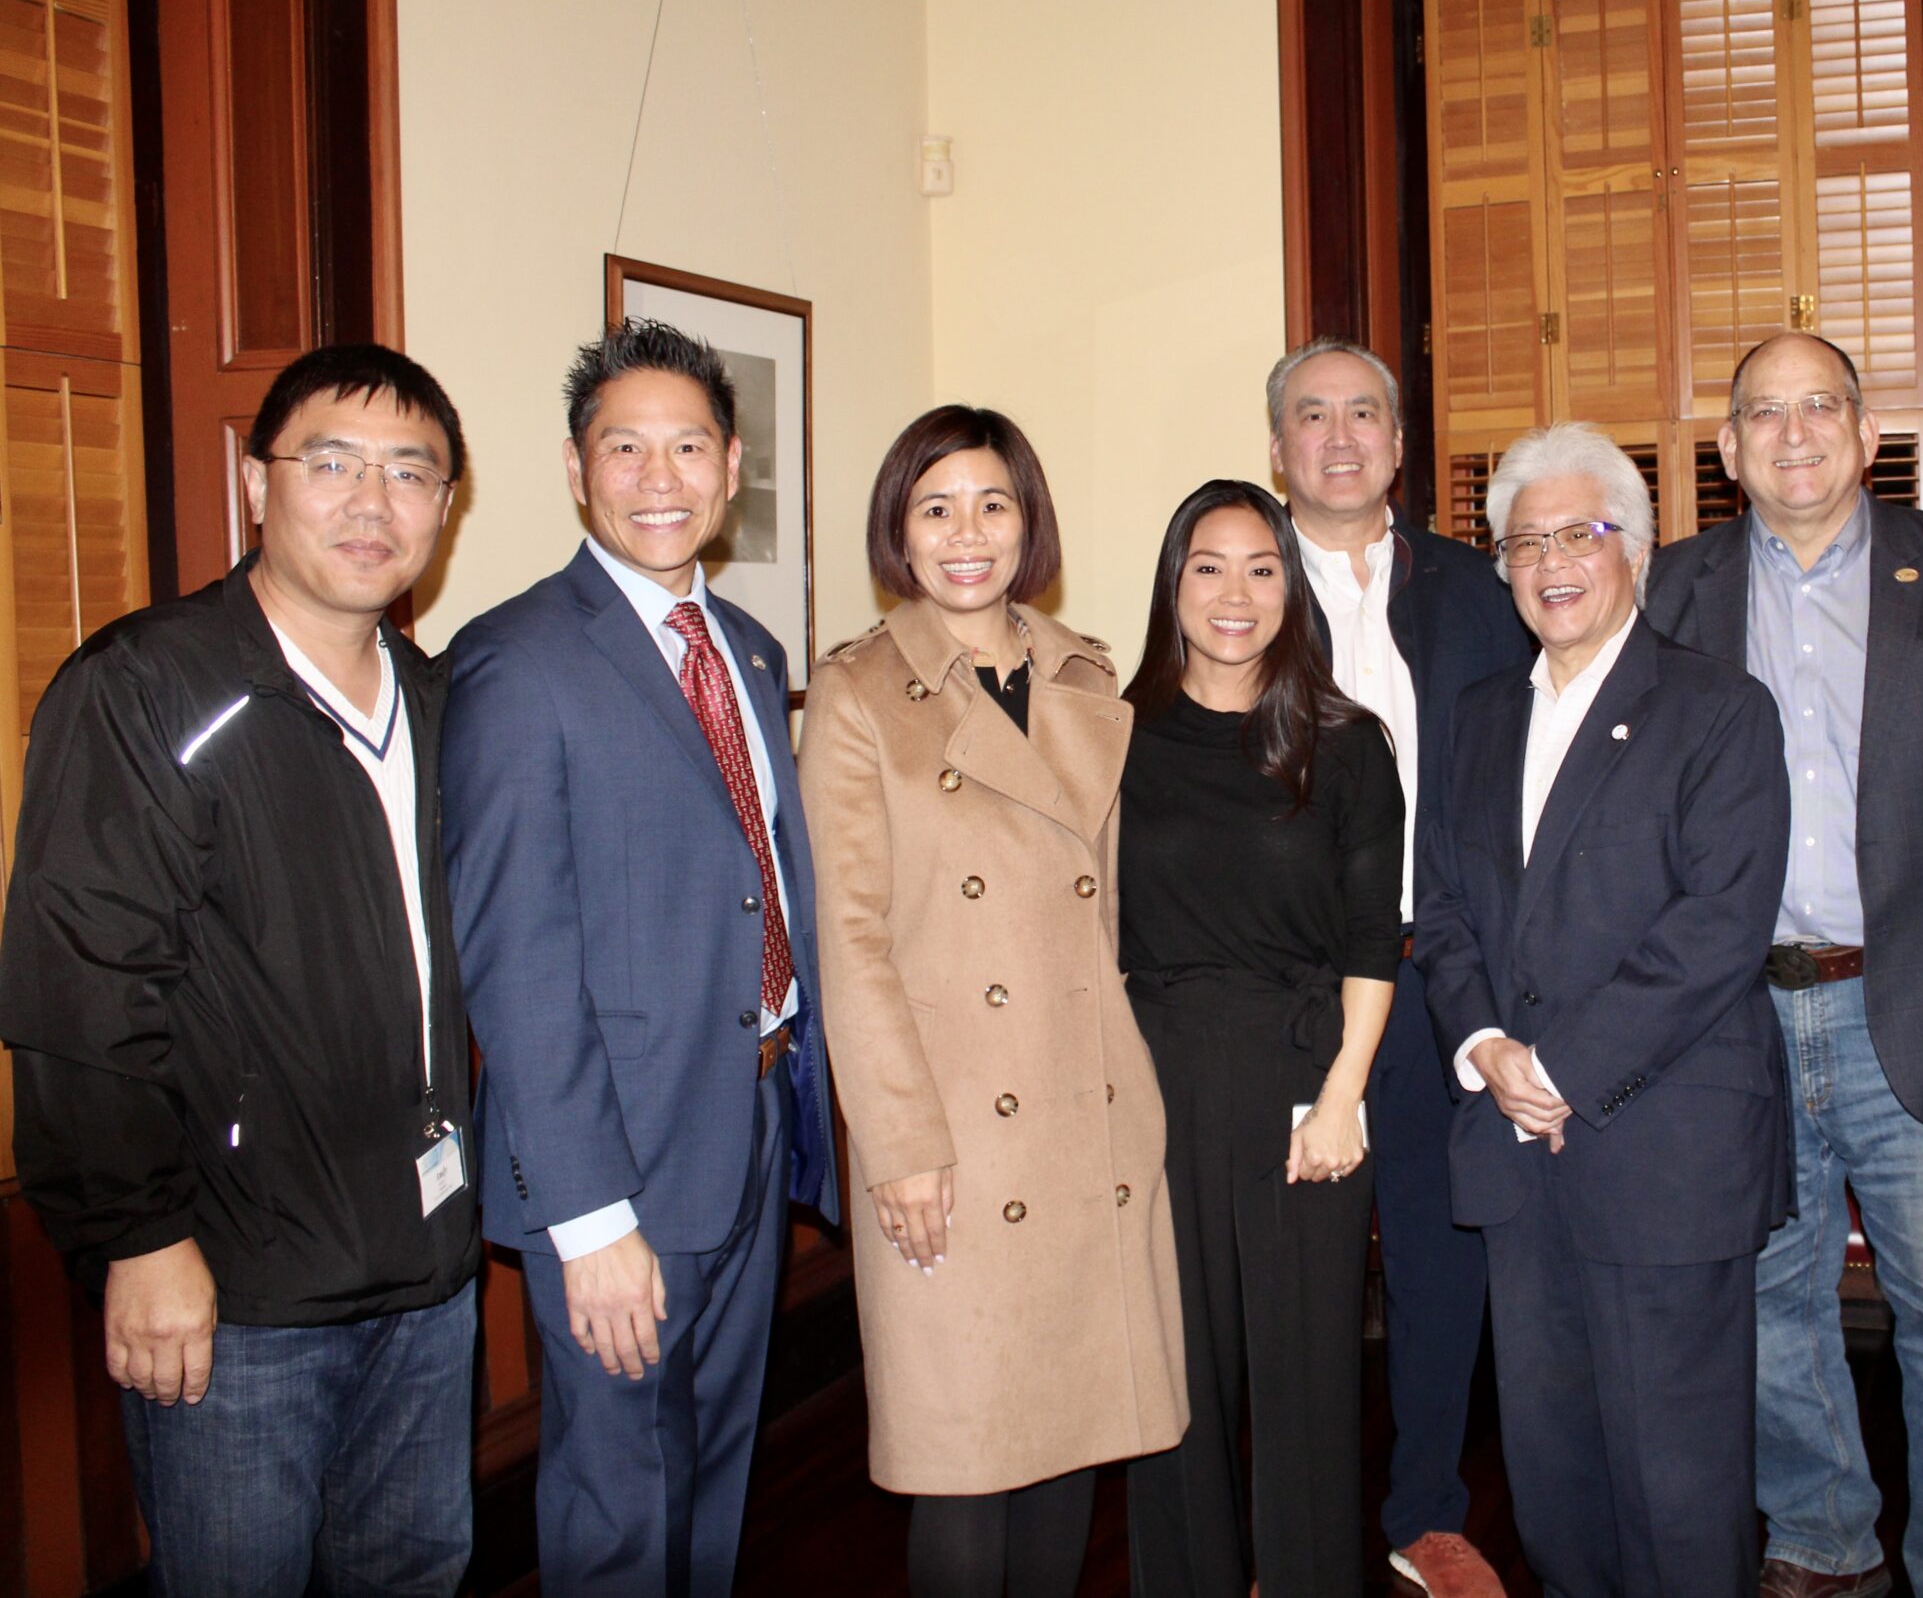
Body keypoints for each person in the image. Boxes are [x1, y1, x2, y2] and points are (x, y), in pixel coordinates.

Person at [3, 346, 477, 1596]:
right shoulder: (147, 687)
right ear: (260, 483)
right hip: (235, 1288)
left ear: (445, 505)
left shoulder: (438, 705)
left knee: (413, 1575)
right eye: (331, 463)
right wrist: (142, 1238)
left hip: (429, 1276)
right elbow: (80, 988)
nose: (372, 502)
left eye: (409, 472)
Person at [1646, 333, 1923, 1598]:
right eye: (1763, 415)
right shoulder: (1668, 591)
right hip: (1734, 1027)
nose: (1794, 434)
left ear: (1868, 428)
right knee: (1768, 1316)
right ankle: (1821, 1543)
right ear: (1726, 449)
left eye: (1820, 407)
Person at [442, 319, 838, 1598]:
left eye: (687, 447)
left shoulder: (751, 647)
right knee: (621, 1509)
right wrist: (589, 1218)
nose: (659, 477)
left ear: (731, 470)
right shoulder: (515, 661)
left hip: (750, 1120)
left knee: (713, 1475)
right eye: (626, 448)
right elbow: (518, 962)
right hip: (615, 1169)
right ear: (574, 468)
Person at [797, 405, 1185, 1598]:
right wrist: (901, 1148)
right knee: (963, 1460)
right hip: (952, 1135)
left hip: (1087, 1110)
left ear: (1029, 522)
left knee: (1067, 1441)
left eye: (992, 504)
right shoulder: (857, 694)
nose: (966, 535)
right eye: (935, 508)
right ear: (898, 534)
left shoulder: (1085, 670)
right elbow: (849, 941)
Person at [1416, 423, 1791, 1598]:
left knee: (1678, 1480)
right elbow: (1443, 911)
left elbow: (1716, 931)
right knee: (1552, 1466)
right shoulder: (1476, 715)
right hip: (1515, 1150)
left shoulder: (1718, 707)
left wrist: (1562, 1068)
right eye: (1524, 542)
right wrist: (1485, 1047)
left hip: (1663, 1144)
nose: (1550, 562)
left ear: (1633, 546)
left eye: (1577, 533)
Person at [1264, 338, 1525, 1598]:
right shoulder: (1234, 584)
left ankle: (1426, 1510)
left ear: (1399, 443)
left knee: (1439, 1254)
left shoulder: (1475, 589)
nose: (1340, 435)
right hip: (1292, 986)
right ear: (1278, 450)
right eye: (1311, 416)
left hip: (1437, 978)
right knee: (1295, 1267)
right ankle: (1288, 1533)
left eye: (1363, 413)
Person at [1118, 479, 1403, 1597]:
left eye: (1261, 567)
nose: (1234, 593)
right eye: (1207, 566)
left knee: (1303, 1370)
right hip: (1157, 1073)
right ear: (1172, 583)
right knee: (1175, 1370)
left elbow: (1372, 944)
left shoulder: (1347, 744)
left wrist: (1343, 1098)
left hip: (1302, 1072)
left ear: (1292, 587)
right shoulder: (1114, 734)